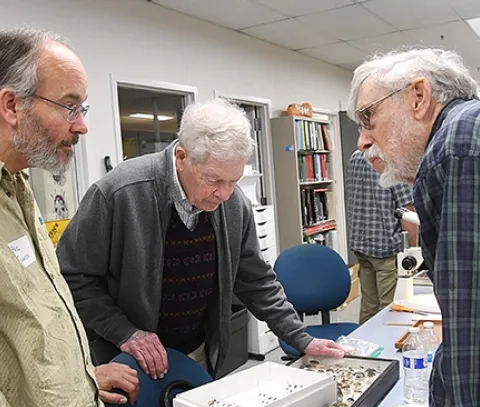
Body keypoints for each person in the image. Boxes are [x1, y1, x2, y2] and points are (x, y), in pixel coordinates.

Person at [56, 98, 346, 380]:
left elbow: (256, 280)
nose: (225, 194)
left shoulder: (234, 204)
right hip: (125, 358)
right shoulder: (118, 193)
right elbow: (72, 276)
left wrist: (300, 338)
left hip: (197, 353)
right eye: (214, 180)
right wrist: (124, 332)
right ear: (182, 158)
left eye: (233, 180)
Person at [0, 28, 139, 407]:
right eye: (69, 106)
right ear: (11, 106)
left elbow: (26, 324)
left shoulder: (17, 186)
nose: (82, 125)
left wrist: (82, 376)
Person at [348, 48, 480, 407]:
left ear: (418, 96)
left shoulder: (455, 148)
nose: (362, 141)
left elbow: (468, 357)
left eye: (368, 118)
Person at [346, 149, 416, 324]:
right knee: (390, 309)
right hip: (385, 247)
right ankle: (385, 349)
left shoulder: (356, 156)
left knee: (368, 307)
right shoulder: (392, 160)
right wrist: (415, 253)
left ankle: (364, 348)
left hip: (361, 243)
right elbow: (407, 213)